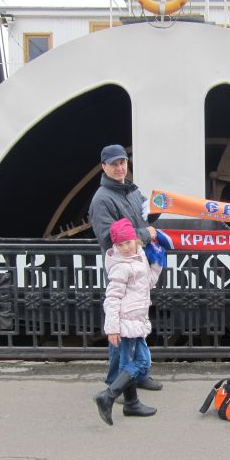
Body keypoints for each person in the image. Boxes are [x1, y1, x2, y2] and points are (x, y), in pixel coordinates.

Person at [88, 144, 163, 393]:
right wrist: (147, 233)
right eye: (114, 164)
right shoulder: (102, 200)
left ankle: (139, 375)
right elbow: (108, 240)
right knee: (121, 327)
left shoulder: (131, 190)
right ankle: (114, 383)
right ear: (104, 167)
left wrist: (158, 208)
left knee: (137, 323)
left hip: (138, 266)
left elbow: (144, 216)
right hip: (122, 269)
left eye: (123, 162)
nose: (120, 168)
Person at [93, 218, 163, 425]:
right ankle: (108, 395)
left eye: (128, 242)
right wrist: (112, 328)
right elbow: (112, 299)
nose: (125, 247)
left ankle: (131, 403)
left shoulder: (138, 257)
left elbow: (148, 283)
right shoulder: (121, 266)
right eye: (120, 244)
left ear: (135, 240)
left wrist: (157, 265)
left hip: (136, 319)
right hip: (126, 322)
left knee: (129, 363)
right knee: (142, 362)